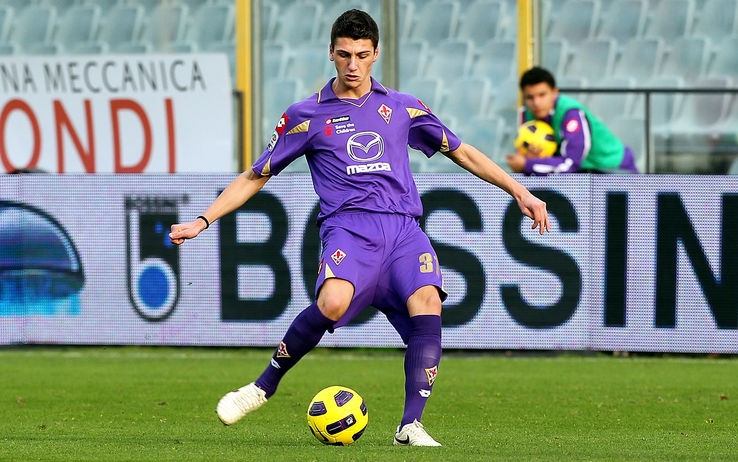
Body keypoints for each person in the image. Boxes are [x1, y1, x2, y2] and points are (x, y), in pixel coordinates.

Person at [169, 9, 550, 447]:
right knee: (332, 302)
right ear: (331, 53)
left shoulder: (403, 107)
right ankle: (261, 387)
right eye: (345, 54)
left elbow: (461, 151)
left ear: (376, 54)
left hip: (404, 230)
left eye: (362, 55)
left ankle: (410, 425)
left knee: (428, 303)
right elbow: (256, 175)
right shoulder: (306, 115)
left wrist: (518, 190)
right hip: (349, 230)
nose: (353, 65)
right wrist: (203, 220)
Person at [506, 66, 639, 175]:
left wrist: (528, 164)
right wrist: (529, 157)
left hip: (614, 169)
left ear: (554, 92)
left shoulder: (571, 114)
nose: (536, 103)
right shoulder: (526, 115)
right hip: (583, 175)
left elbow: (571, 164)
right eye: (530, 97)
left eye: (542, 95)